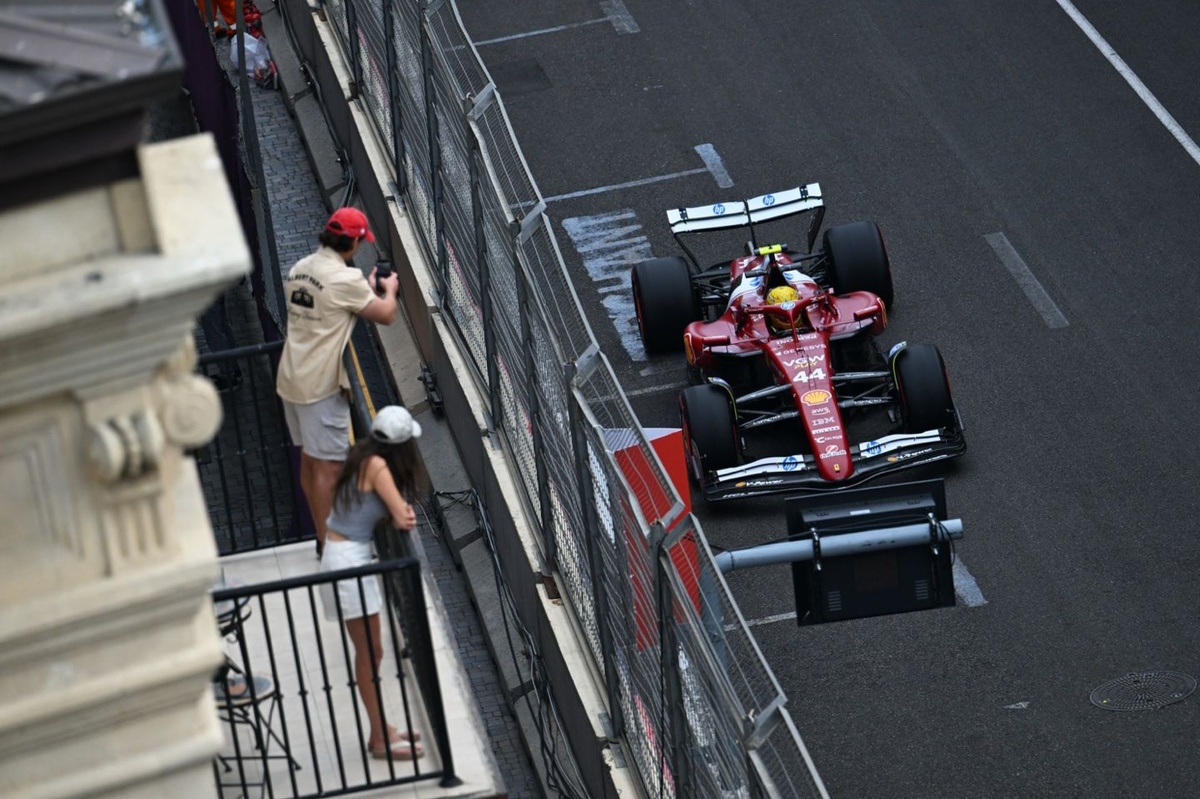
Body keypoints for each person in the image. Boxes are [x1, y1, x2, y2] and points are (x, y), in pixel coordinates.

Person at [276, 207, 399, 557]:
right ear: (354, 242)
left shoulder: (299, 268)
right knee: (329, 468)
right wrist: (387, 288)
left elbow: (327, 308)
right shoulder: (345, 280)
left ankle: (321, 538)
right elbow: (386, 315)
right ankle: (335, 546)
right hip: (319, 386)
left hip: (291, 377)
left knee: (310, 464)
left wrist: (364, 289)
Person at [321, 405, 430, 761]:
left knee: (373, 651)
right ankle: (379, 737)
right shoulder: (380, 467)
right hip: (348, 562)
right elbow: (404, 517)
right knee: (370, 653)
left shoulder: (364, 457)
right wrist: (397, 510)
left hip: (345, 557)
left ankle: (381, 729)